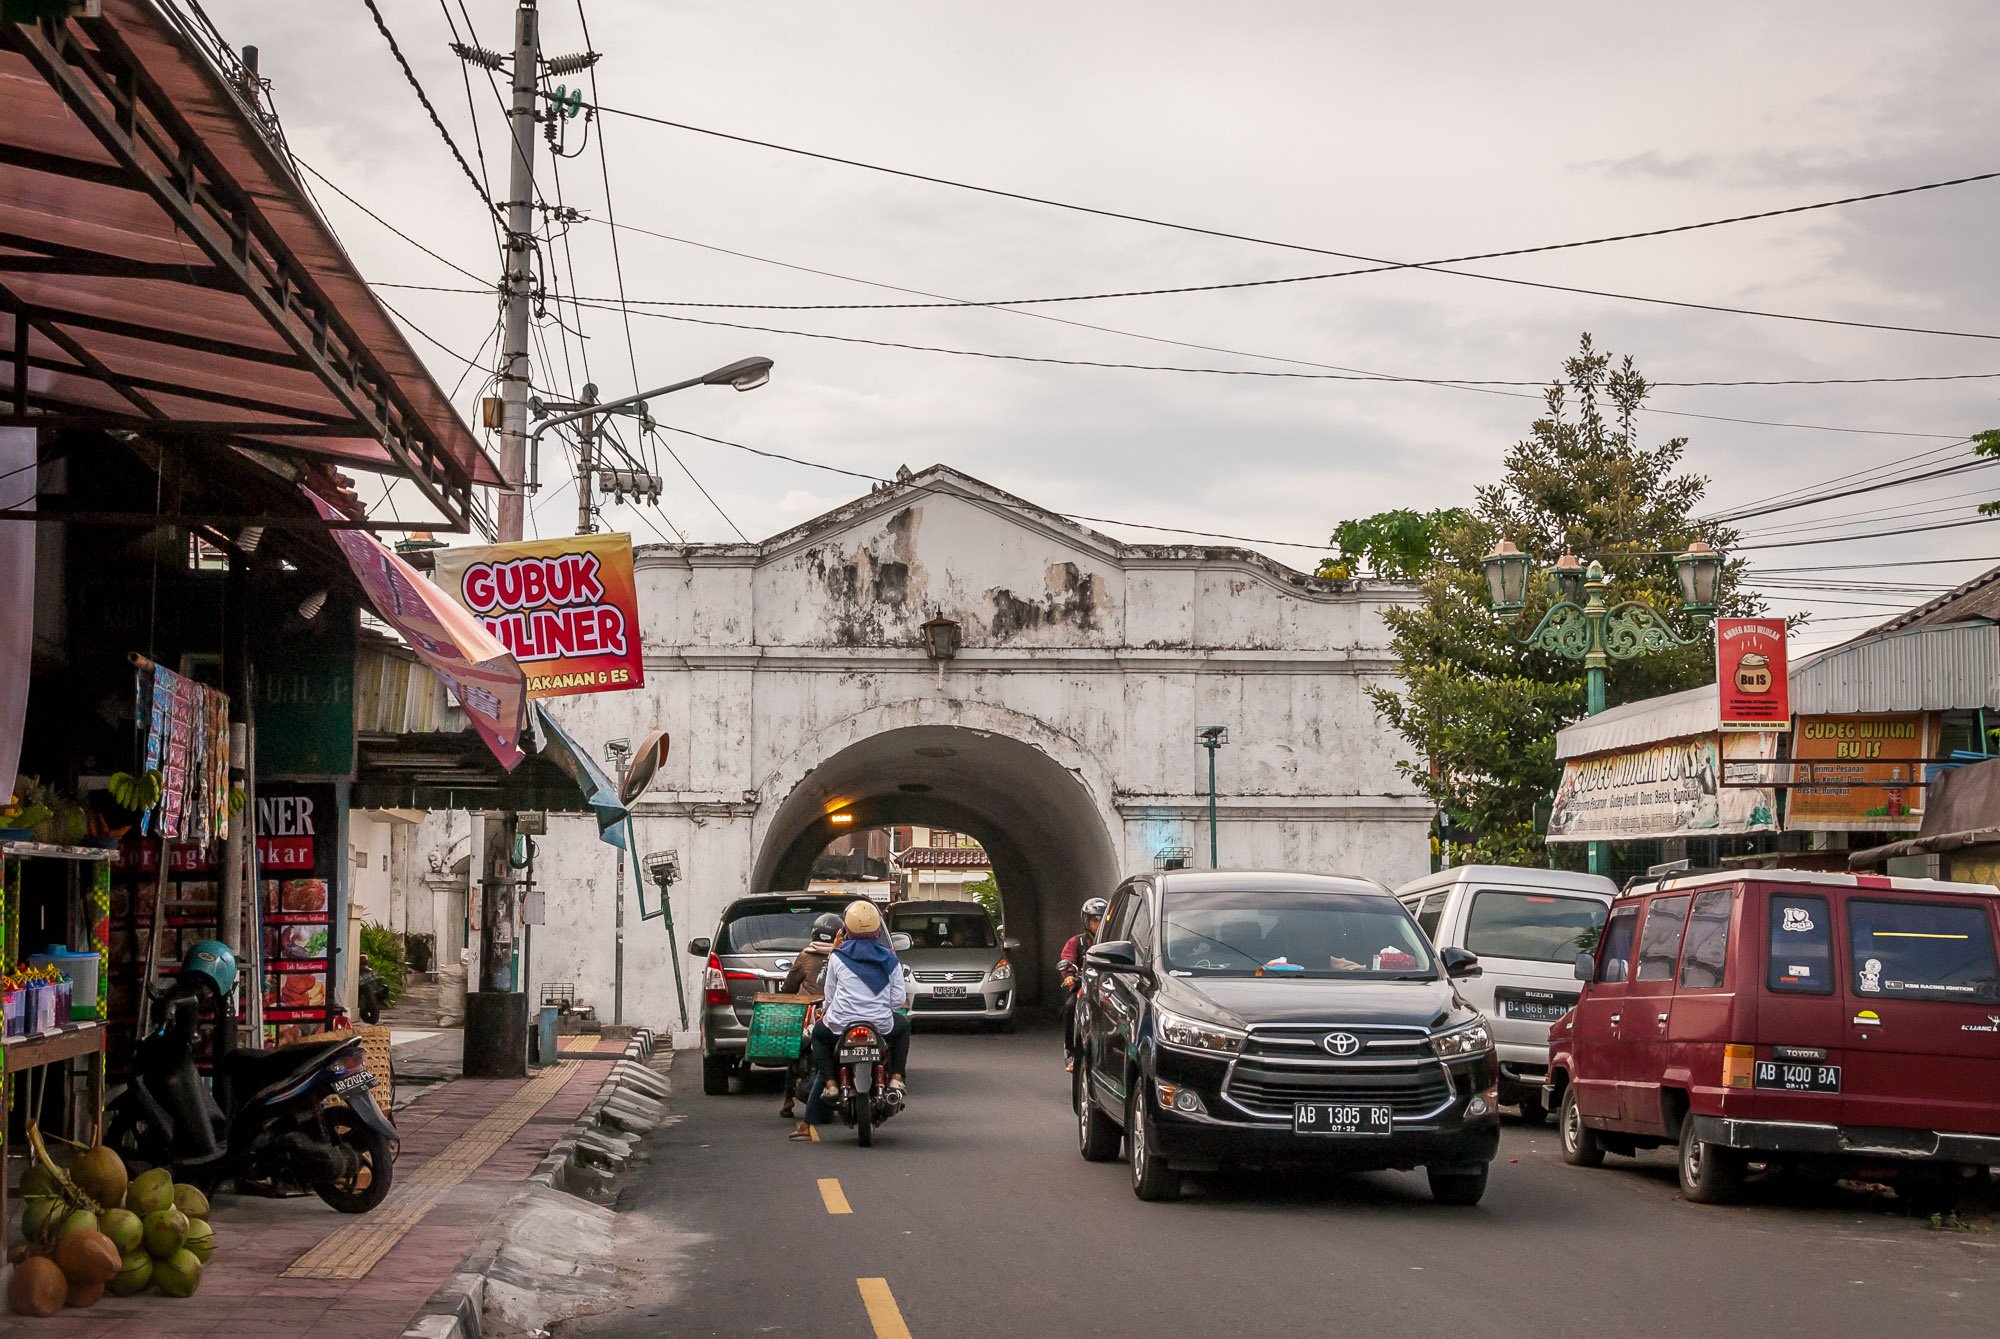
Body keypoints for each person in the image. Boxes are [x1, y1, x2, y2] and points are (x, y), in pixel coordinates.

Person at [793, 900, 909, 1140]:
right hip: (880, 1024)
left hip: (841, 1023)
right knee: (903, 1028)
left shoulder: (837, 956)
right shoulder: (890, 959)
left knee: (819, 1037)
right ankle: (897, 1078)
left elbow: (830, 996)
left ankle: (832, 1084)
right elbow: (898, 1000)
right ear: (877, 929)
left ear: (846, 929)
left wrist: (827, 1011)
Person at [777, 913, 842, 1120]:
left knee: (794, 1051)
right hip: (837, 1015)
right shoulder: (844, 957)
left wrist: (785, 997)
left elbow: (790, 985)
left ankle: (788, 1100)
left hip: (810, 1018)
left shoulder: (805, 956)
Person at [1059, 897, 1108, 1071]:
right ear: (1086, 921)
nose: (1098, 923)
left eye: (1102, 919)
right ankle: (1071, 1053)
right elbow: (1067, 960)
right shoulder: (1076, 942)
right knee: (1070, 1007)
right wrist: (1070, 976)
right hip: (1084, 987)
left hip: (1108, 987)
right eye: (1094, 920)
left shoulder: (1113, 941)